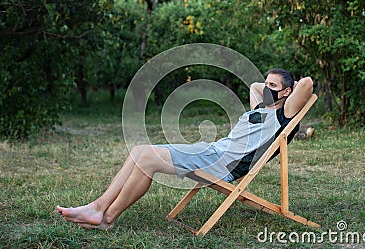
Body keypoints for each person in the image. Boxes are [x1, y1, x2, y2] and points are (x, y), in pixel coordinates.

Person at [57, 68, 313, 230]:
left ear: (287, 93)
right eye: (267, 84)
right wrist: (272, 86)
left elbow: (308, 84)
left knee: (146, 157)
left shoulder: (283, 116)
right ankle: (99, 209)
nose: (266, 89)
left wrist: (291, 87)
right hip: (212, 150)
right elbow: (254, 87)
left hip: (221, 163)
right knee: (139, 151)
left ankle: (106, 215)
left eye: (273, 87)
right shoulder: (260, 107)